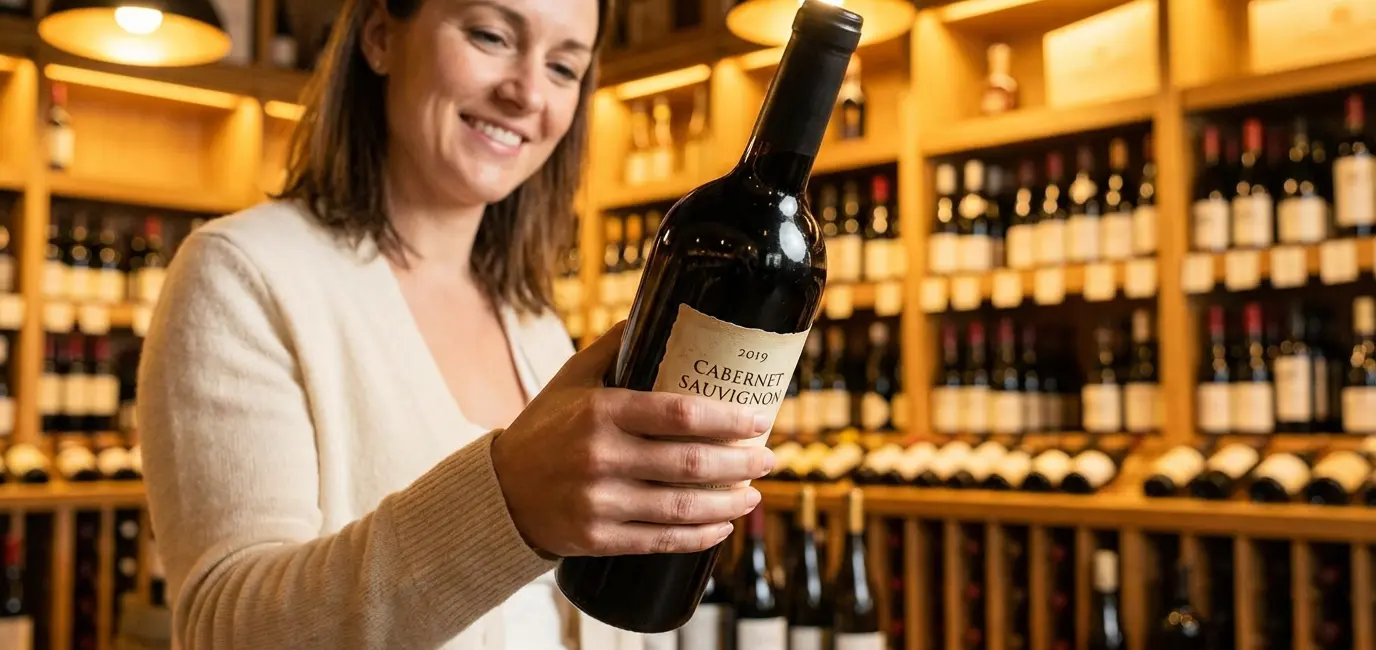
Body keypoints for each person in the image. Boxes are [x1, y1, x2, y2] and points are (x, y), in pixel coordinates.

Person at [136, 0, 775, 648]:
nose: (526, 92)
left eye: (562, 67)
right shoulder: (242, 275)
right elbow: (229, 630)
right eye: (491, 35)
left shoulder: (533, 323)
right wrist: (507, 508)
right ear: (382, 36)